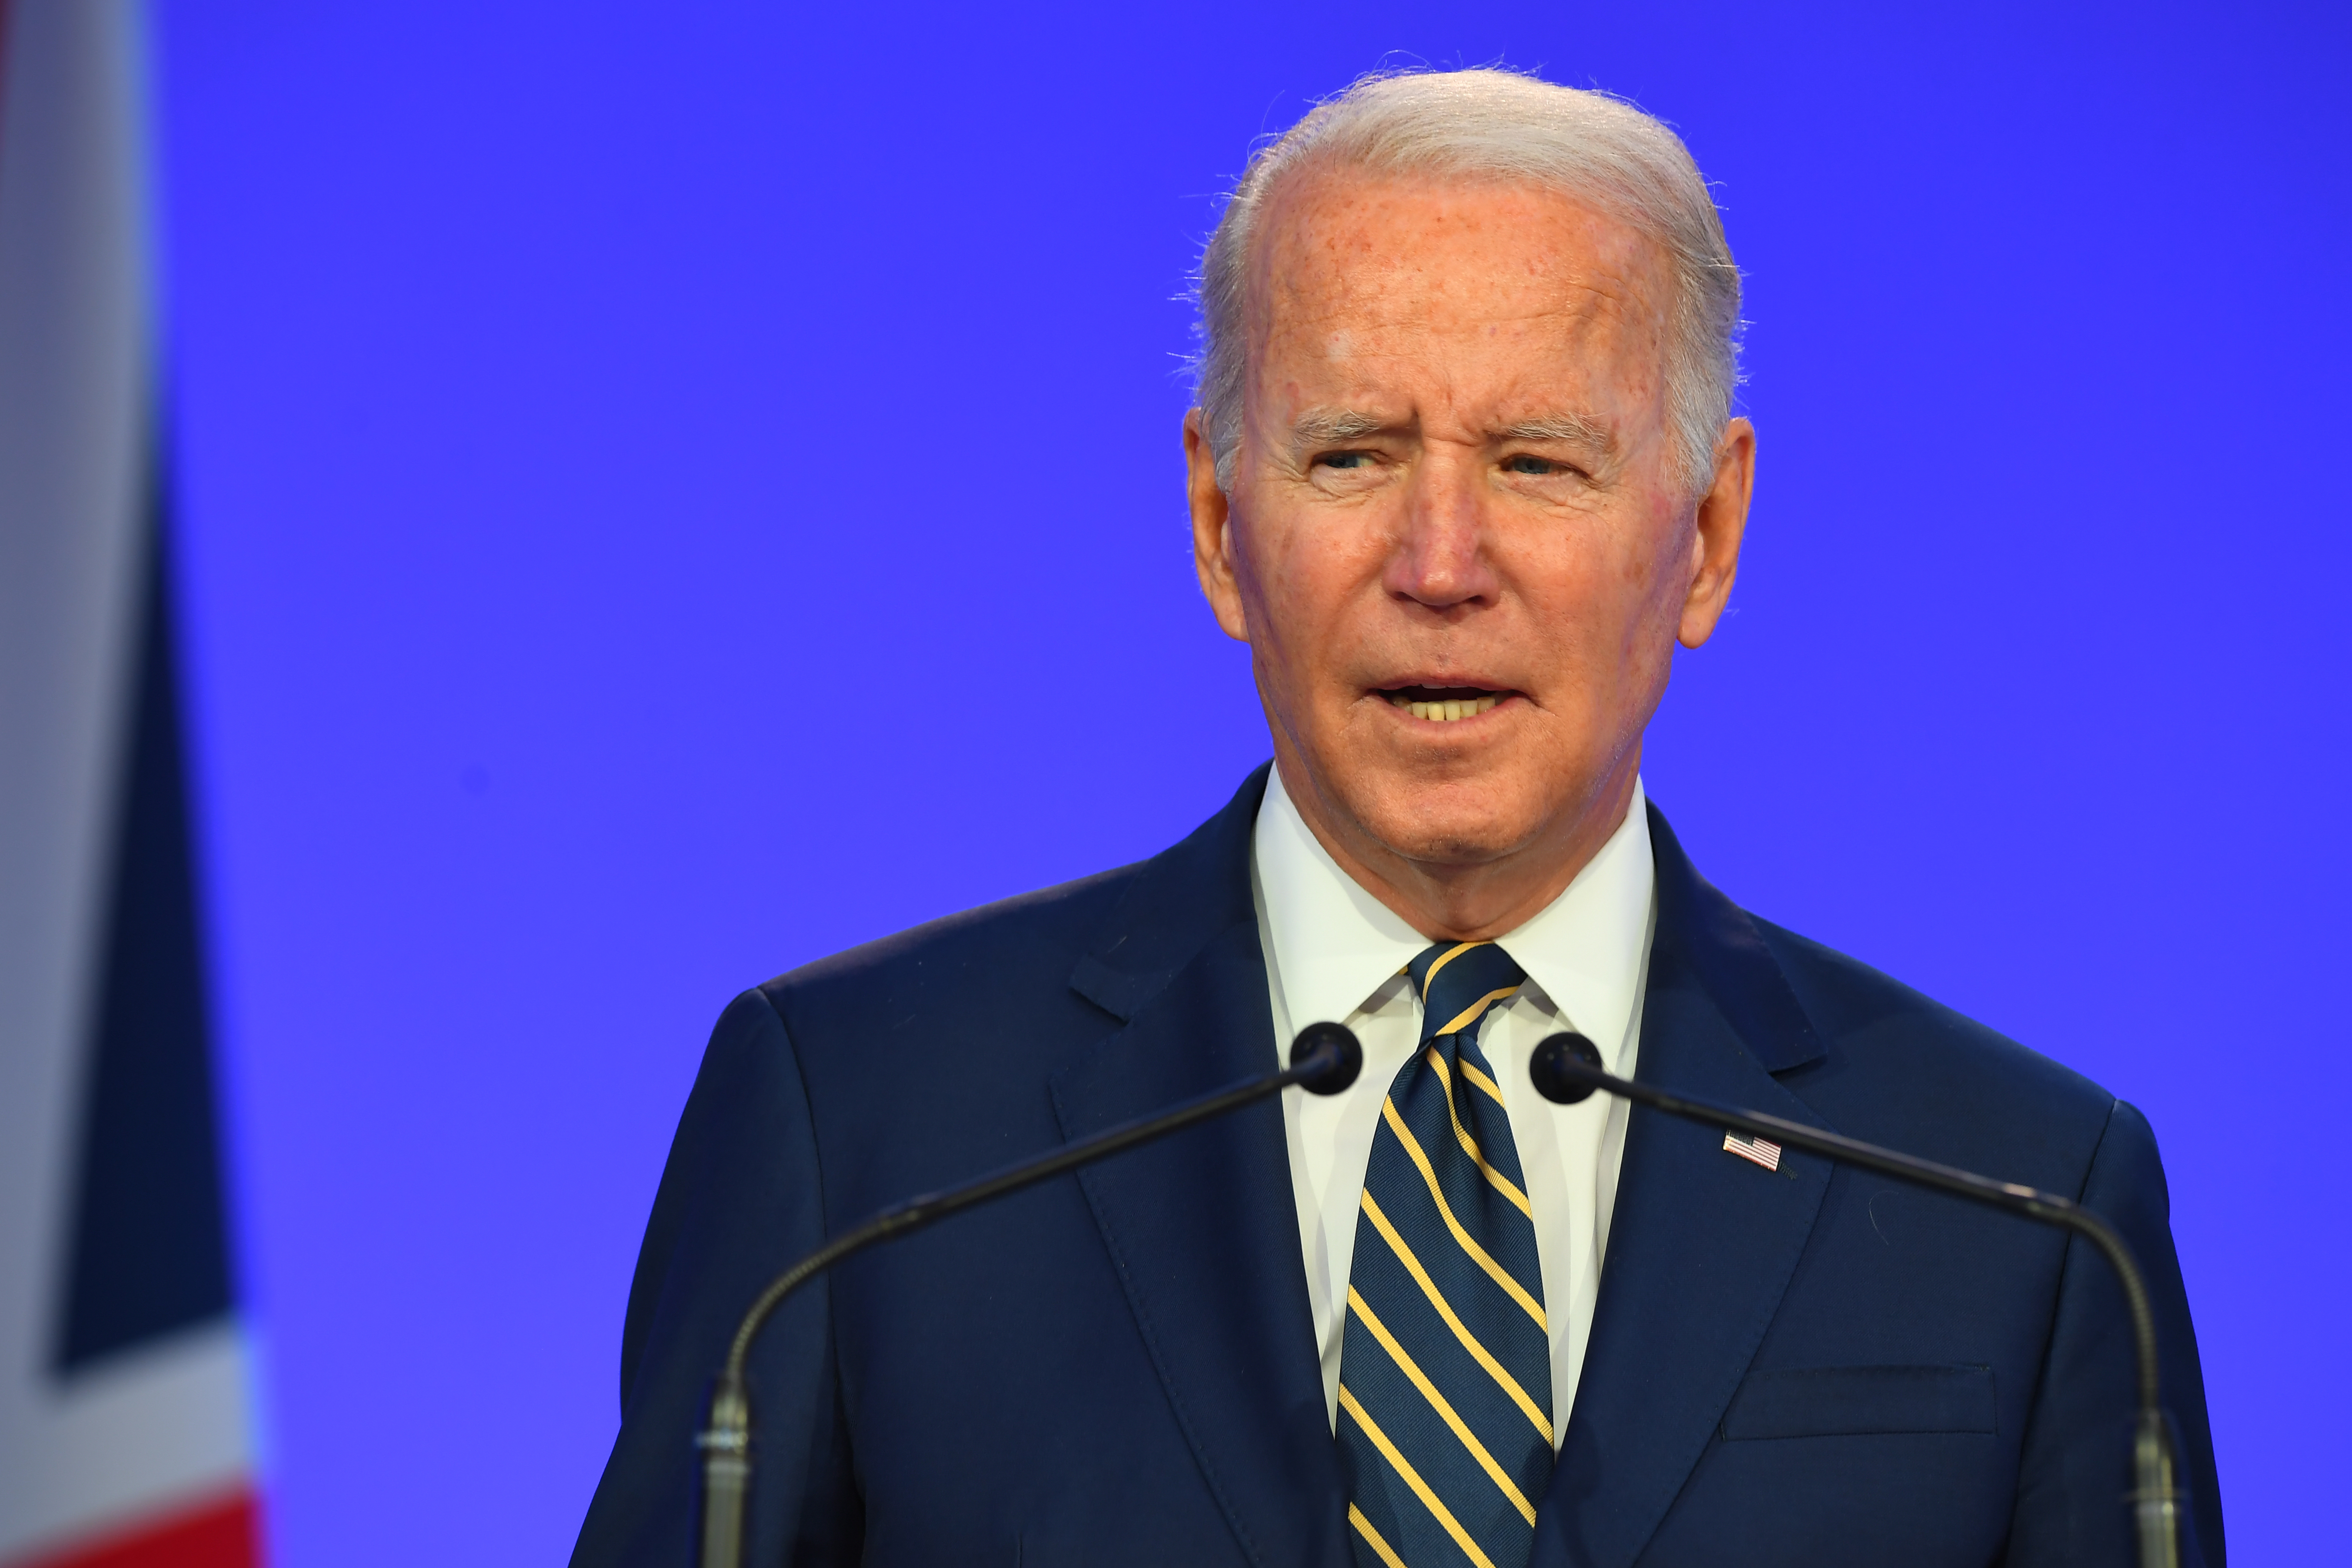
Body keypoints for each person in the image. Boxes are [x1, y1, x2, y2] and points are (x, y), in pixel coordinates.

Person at [571, 68, 2221, 1568]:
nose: (1441, 564)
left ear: (1706, 534)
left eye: (1538, 462)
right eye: (1353, 455)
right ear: (1221, 522)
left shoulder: (2019, 1200)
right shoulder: (865, 1131)